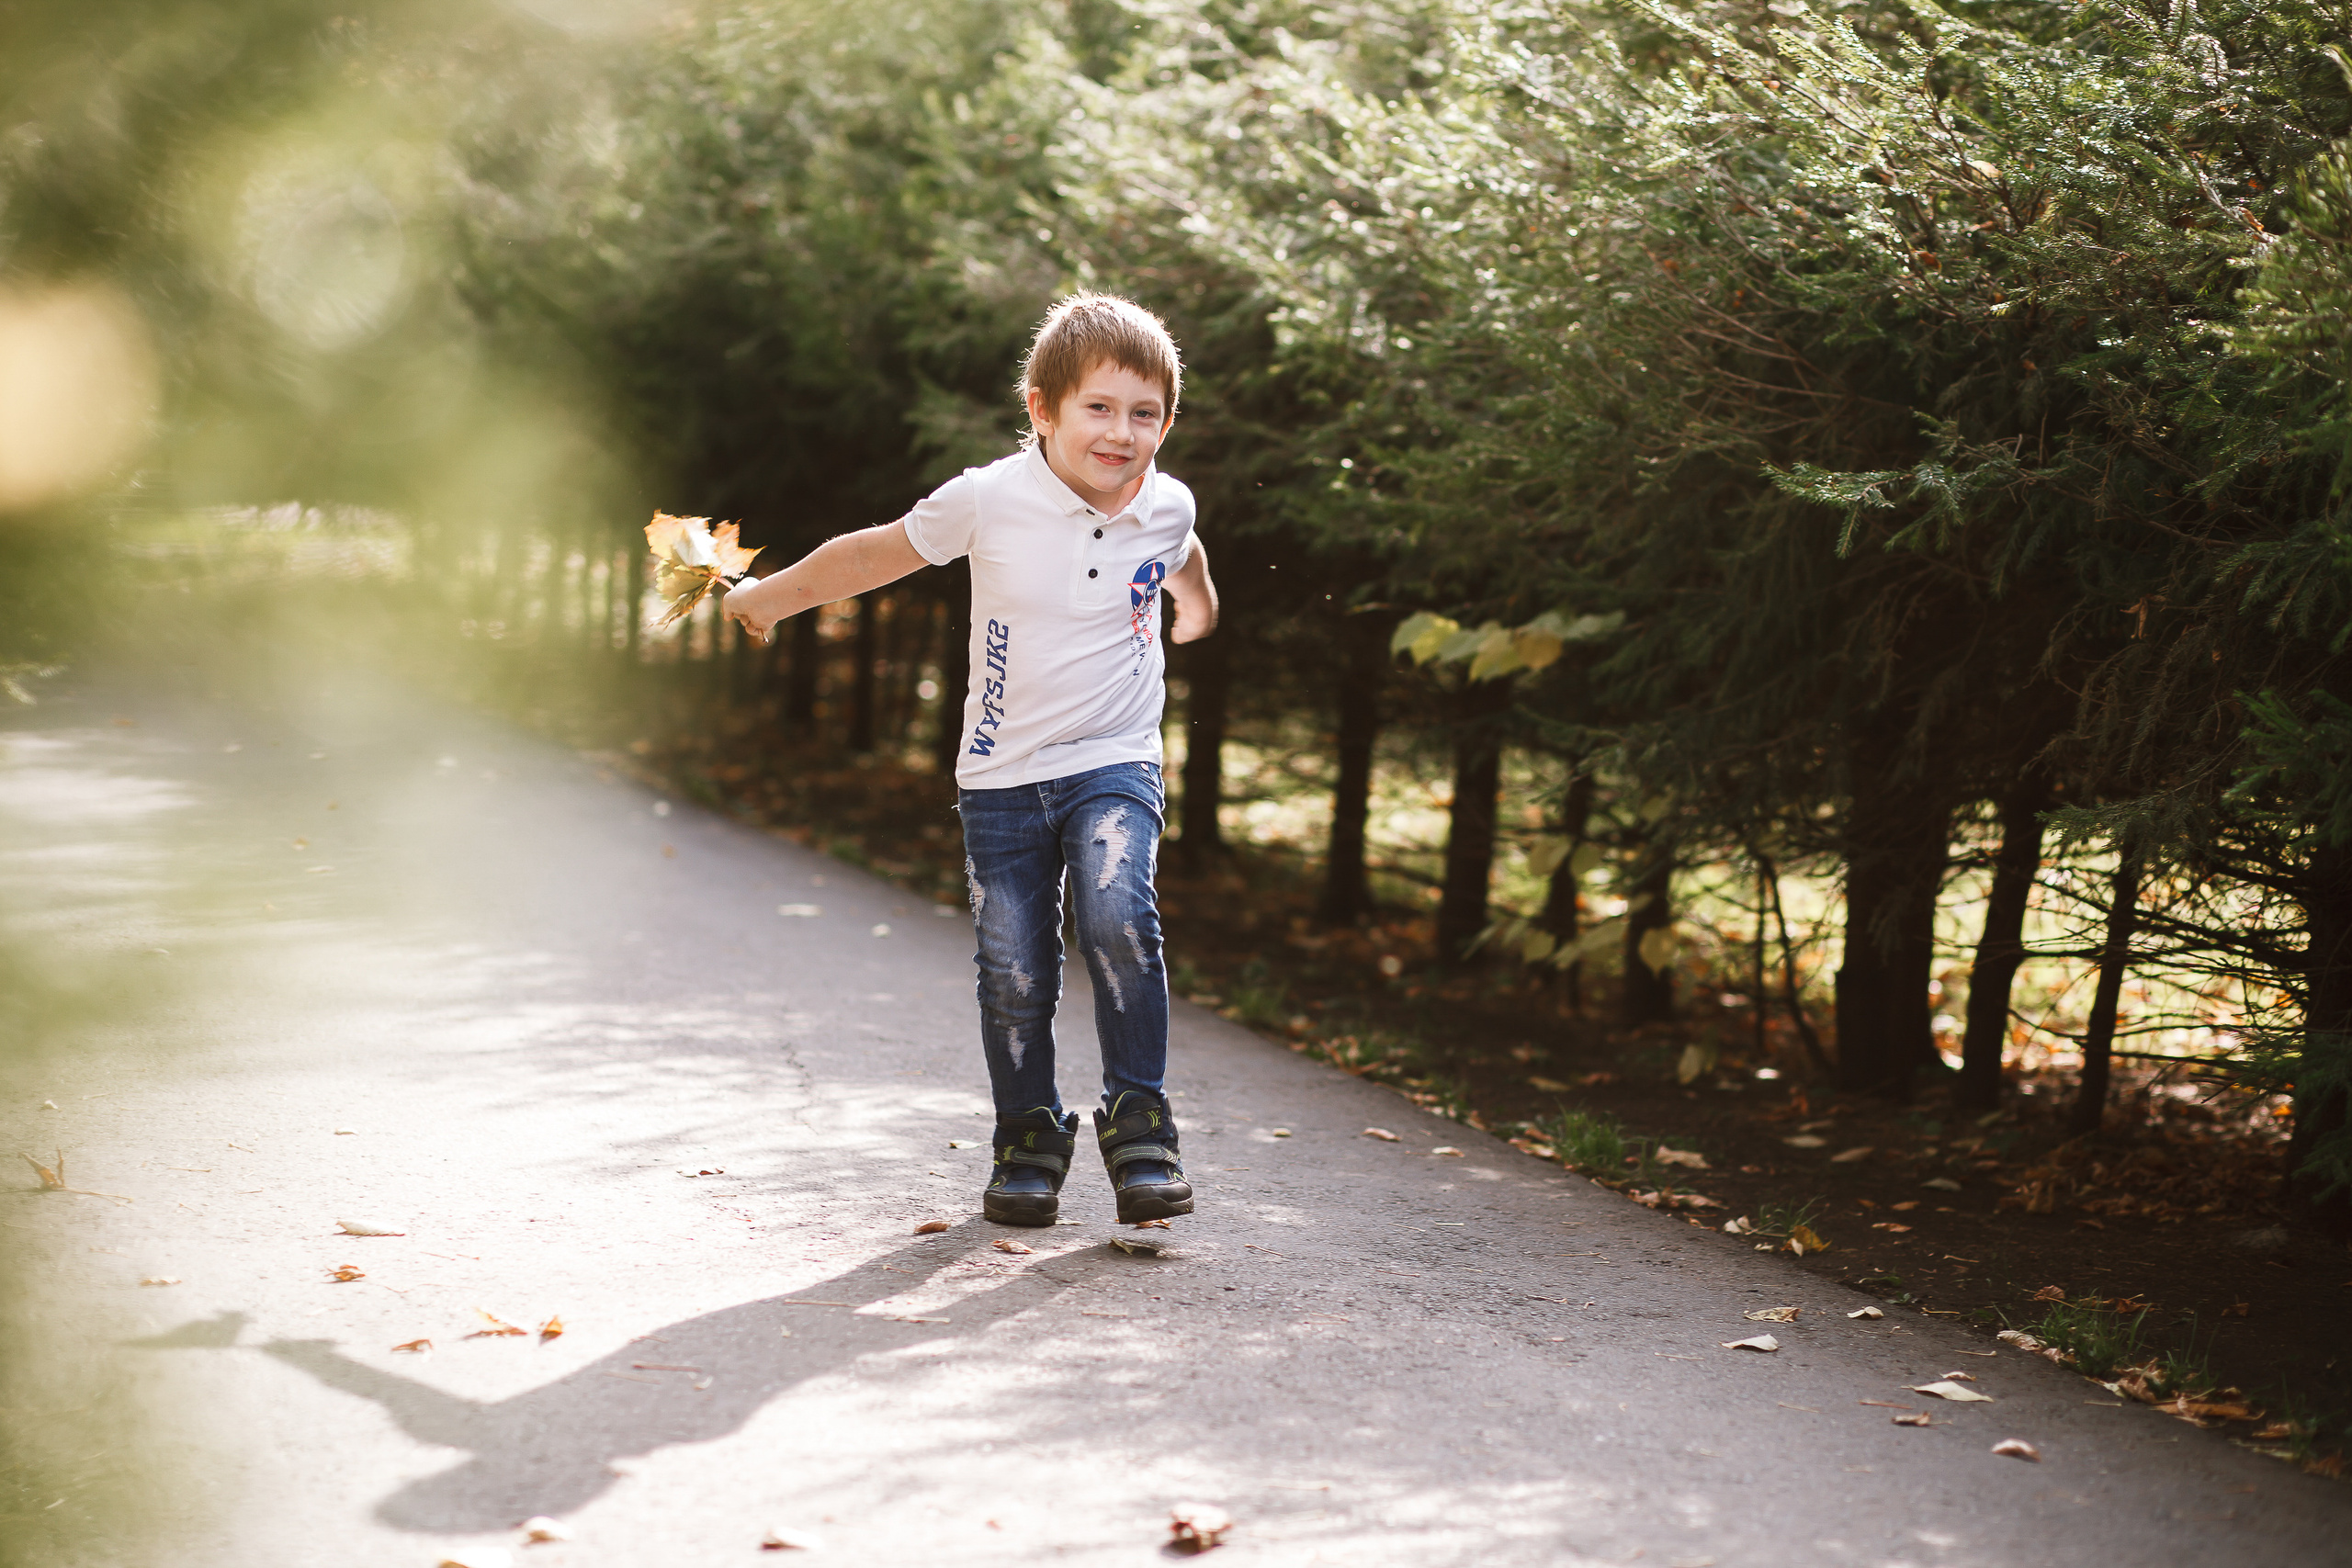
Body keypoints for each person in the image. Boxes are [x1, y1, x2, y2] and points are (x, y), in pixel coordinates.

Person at [721, 293, 1219, 1227]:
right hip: (1001, 774)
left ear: (1167, 420)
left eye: (1144, 413)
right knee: (1014, 968)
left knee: (1118, 911)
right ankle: (1028, 1140)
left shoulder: (1167, 501)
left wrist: (1198, 608)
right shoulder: (987, 498)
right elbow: (871, 555)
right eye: (1098, 409)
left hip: (1115, 755)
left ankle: (1141, 1127)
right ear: (1042, 408)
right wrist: (768, 599)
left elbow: (1182, 546)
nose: (1121, 433)